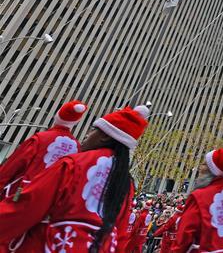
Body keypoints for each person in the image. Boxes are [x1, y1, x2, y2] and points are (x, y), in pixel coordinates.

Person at [0, 104, 148, 253]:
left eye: (93, 130)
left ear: (105, 136)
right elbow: (120, 232)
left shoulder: (73, 164)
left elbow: (28, 205)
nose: (87, 135)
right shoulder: (126, 183)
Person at [0, 100, 86, 203]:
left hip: (21, 194)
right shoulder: (77, 147)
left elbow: (13, 165)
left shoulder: (40, 138)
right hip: (49, 200)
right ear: (75, 123)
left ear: (57, 116)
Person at [172, 148, 223, 253]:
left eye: (204, 164)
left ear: (210, 170)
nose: (200, 167)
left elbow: (185, 234)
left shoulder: (198, 195)